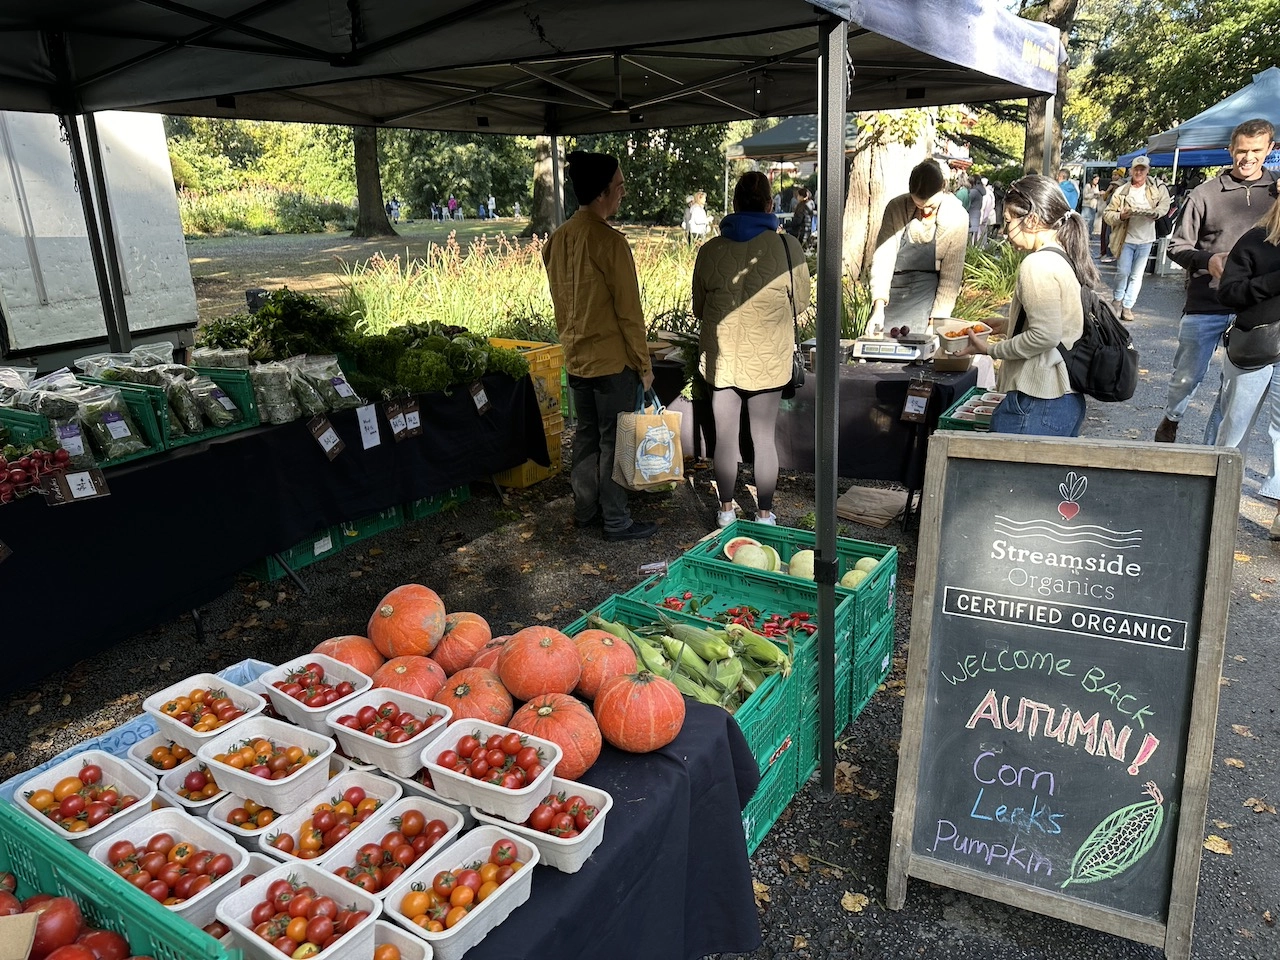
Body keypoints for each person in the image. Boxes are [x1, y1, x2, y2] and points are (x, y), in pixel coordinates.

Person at [541, 151, 656, 542]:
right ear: (603, 192)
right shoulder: (610, 243)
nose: (623, 193)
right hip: (612, 364)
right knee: (615, 441)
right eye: (620, 186)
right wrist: (644, 365)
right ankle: (617, 521)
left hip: (576, 360)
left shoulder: (557, 240)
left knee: (587, 437)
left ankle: (585, 510)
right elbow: (629, 314)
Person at [693, 171, 810, 528]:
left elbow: (699, 308)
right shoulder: (787, 247)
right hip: (769, 361)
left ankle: (726, 512)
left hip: (722, 359)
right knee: (763, 438)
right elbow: (801, 302)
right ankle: (764, 515)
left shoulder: (710, 250)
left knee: (724, 438)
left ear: (734, 205)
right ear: (770, 205)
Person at [1155, 118, 1279, 443]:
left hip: (1256, 310)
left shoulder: (1277, 193)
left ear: (1270, 149)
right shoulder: (1205, 193)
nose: (1247, 158)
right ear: (1230, 149)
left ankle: (1212, 457)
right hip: (1206, 301)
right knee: (1187, 376)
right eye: (1241, 151)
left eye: (1255, 150)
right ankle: (1172, 417)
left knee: (1233, 391)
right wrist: (1207, 260)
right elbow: (1177, 245)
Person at [958, 174, 1098, 437]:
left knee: (1008, 478)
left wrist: (991, 349)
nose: (1004, 231)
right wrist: (1008, 325)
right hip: (1061, 399)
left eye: (1008, 222)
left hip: (1037, 400)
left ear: (1031, 220)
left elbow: (1045, 335)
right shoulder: (1063, 257)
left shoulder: (1037, 264)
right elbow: (1056, 323)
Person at [1215, 195, 1280, 538]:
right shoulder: (1257, 239)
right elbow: (1229, 293)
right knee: (1235, 429)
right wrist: (1273, 281)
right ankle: (1219, 504)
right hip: (1254, 346)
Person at [868, 159, 968, 336]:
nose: (925, 211)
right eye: (918, 205)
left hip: (927, 301)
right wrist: (878, 308)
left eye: (931, 206)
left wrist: (935, 324)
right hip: (893, 296)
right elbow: (884, 257)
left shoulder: (957, 217)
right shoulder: (896, 208)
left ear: (943, 187)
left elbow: (950, 279)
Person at [1101, 156, 1170, 322]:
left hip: (1146, 239)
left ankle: (1128, 306)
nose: (1139, 172)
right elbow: (1107, 215)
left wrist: (1156, 213)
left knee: (1136, 276)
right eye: (1136, 169)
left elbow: (1164, 206)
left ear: (1148, 170)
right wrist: (1121, 216)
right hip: (1126, 239)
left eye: (1142, 169)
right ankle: (1117, 300)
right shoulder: (1122, 190)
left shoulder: (1157, 188)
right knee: (1123, 272)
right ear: (1131, 170)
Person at [1099, 168, 1125, 262]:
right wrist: (1109, 190)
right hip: (1106, 213)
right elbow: (1105, 198)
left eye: (1116, 175)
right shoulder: (1111, 189)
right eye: (1113, 175)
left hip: (1115, 215)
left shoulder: (1121, 189)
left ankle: (1111, 254)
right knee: (1104, 234)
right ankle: (1104, 252)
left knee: (1109, 235)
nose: (1114, 177)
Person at [966, 176, 986, 246]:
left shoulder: (973, 192)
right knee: (973, 238)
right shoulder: (980, 192)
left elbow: (967, 201)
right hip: (977, 215)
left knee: (968, 240)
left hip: (971, 215)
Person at [1081, 173, 1102, 241]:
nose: (1096, 181)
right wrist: (1093, 194)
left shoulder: (1097, 186)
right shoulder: (1088, 186)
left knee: (1091, 222)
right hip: (1087, 205)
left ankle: (1089, 235)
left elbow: (1097, 195)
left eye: (1098, 180)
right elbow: (1085, 196)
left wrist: (1099, 194)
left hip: (1093, 205)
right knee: (1085, 220)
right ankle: (1083, 235)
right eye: (1095, 179)